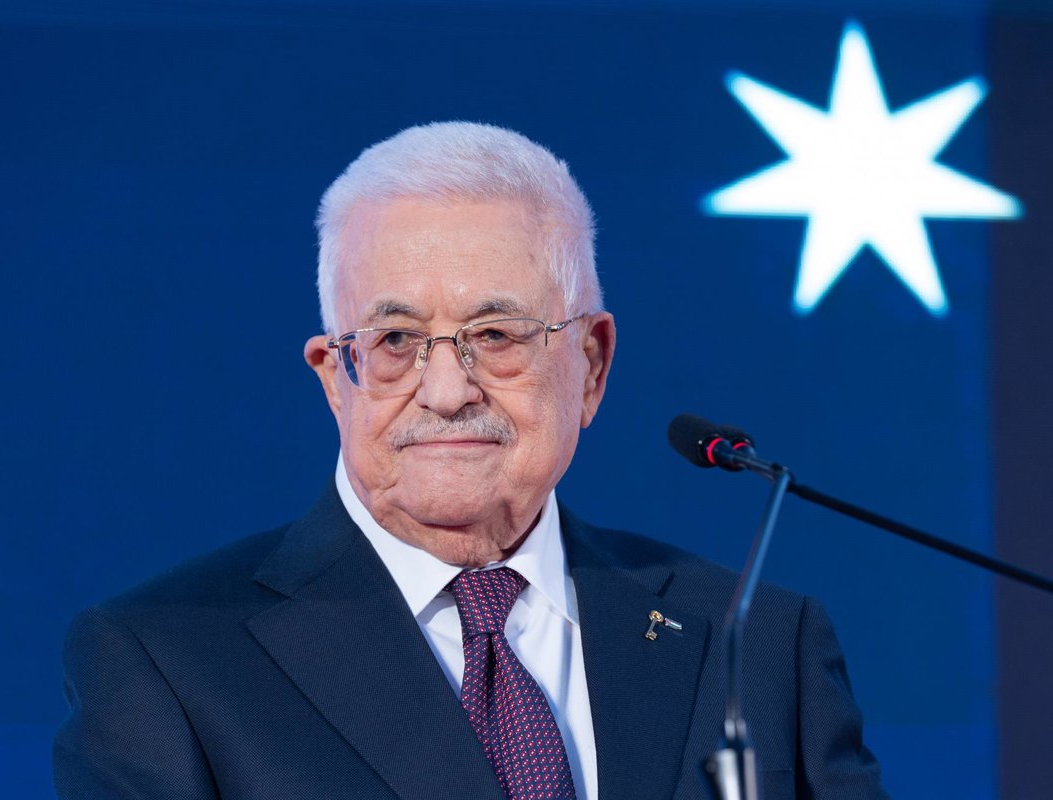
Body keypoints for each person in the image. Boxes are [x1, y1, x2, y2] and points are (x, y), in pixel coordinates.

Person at [54, 122, 889, 800]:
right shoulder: (167, 660)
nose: (448, 390)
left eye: (495, 334)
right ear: (335, 377)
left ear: (592, 365)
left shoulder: (758, 643)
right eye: (395, 340)